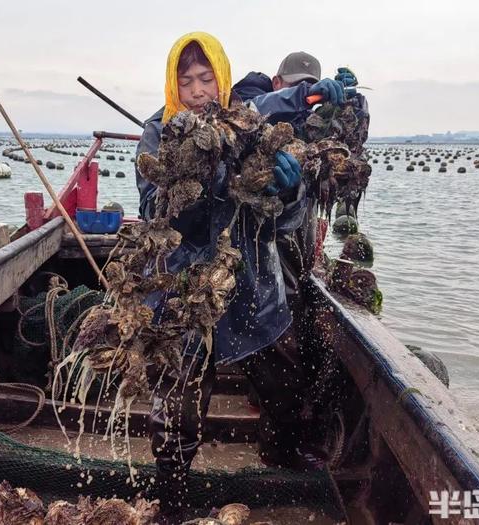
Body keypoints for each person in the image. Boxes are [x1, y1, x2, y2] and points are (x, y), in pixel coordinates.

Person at [134, 32, 346, 514]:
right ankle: (173, 494)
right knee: (177, 402)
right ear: (173, 85)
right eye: (185, 81)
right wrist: (213, 177)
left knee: (283, 383)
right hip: (182, 291)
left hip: (252, 285)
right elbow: (154, 212)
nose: (197, 90)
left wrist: (291, 194)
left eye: (206, 78)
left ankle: (285, 456)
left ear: (222, 79)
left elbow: (285, 222)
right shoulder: (158, 133)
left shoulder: (252, 127)